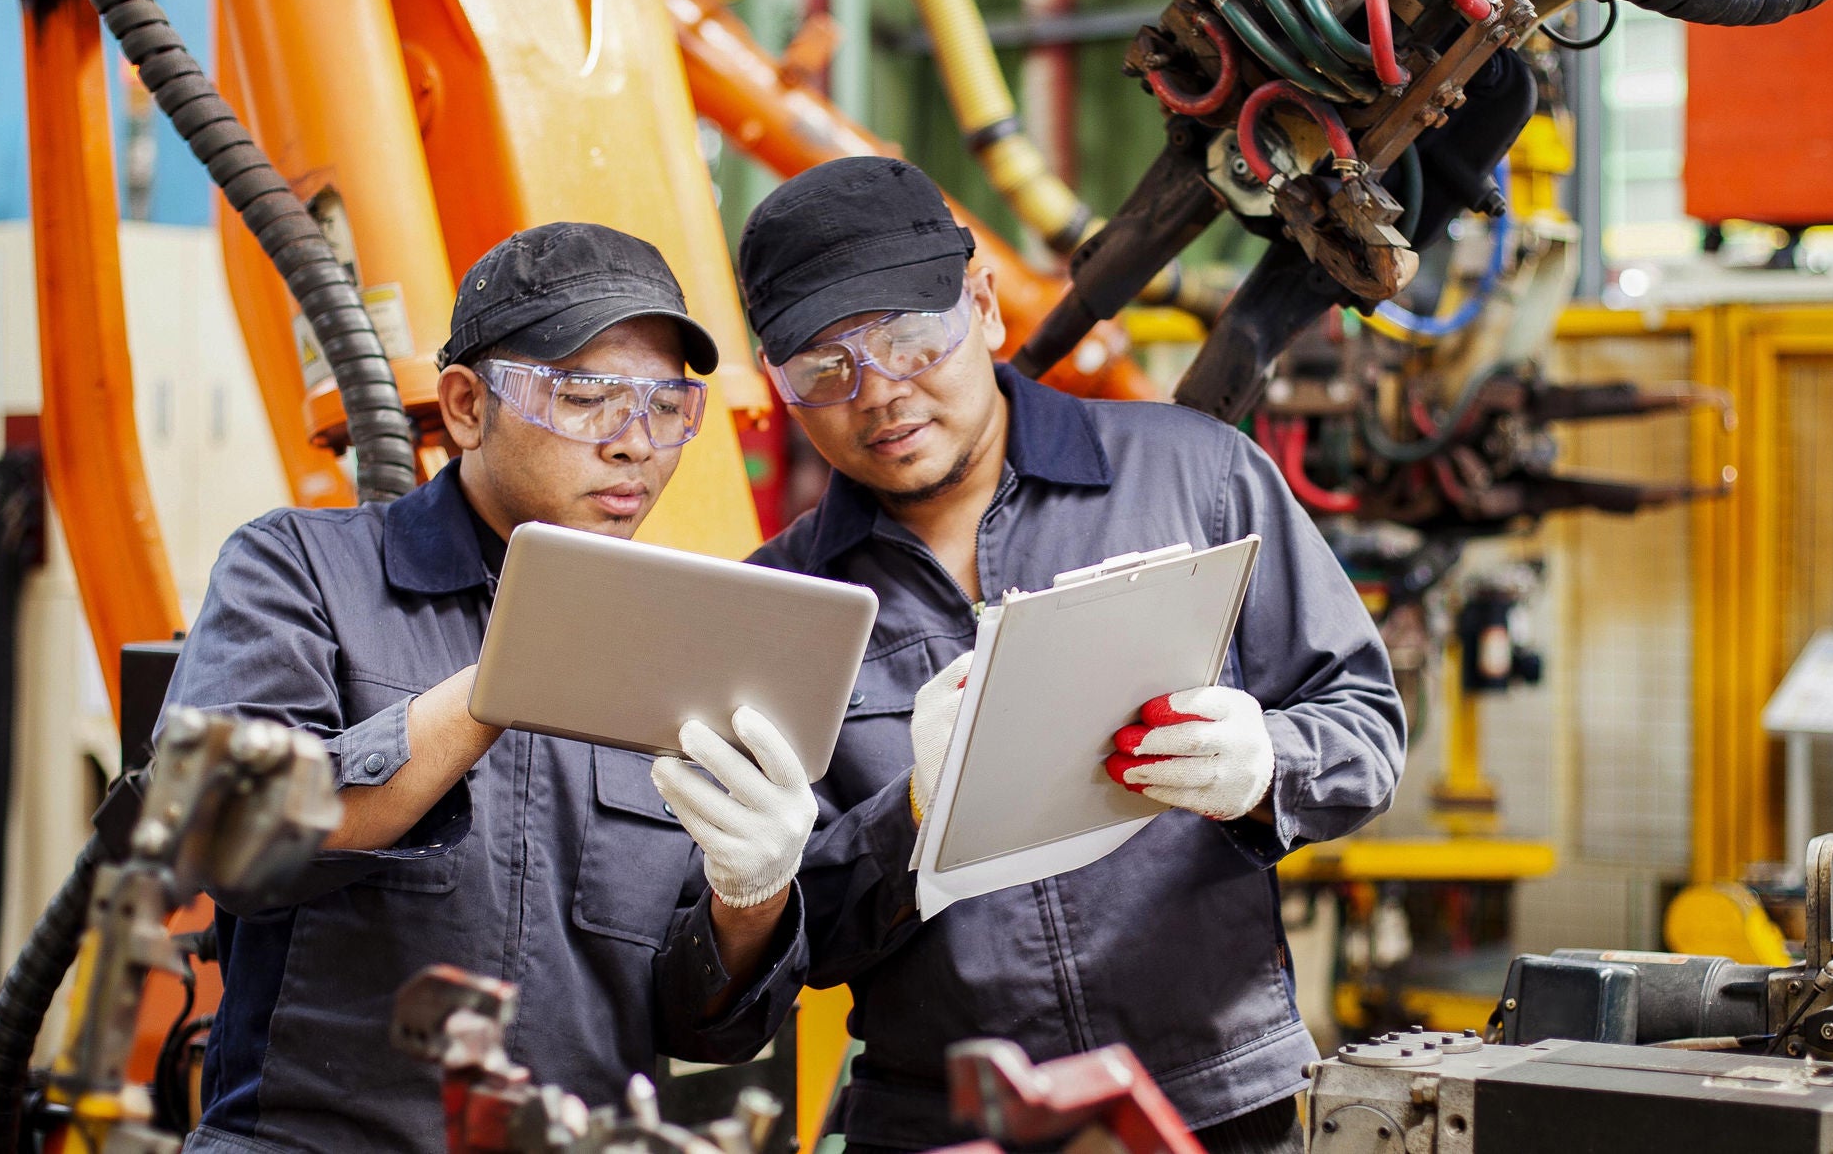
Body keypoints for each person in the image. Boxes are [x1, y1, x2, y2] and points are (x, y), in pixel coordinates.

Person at [740, 158, 1407, 1154]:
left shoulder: (1196, 475)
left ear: (983, 306)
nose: (878, 396)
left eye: (910, 341)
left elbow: (1363, 727)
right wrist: (911, 815)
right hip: (940, 1125)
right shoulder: (780, 609)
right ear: (777, 384)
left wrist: (1270, 762)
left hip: (1218, 1106)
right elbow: (799, 941)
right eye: (824, 371)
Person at [163, 223, 818, 1153]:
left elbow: (703, 1026)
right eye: (588, 397)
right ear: (468, 407)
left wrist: (751, 899)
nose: (634, 444)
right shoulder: (300, 571)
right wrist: (511, 669)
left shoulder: (690, 639)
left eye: (667, 406)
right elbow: (221, 837)